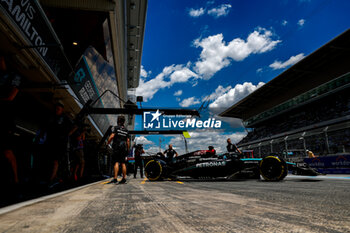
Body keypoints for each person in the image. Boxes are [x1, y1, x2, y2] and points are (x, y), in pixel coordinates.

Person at [45, 101, 77, 183]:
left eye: (59, 109)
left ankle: (52, 179)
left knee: (56, 160)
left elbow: (75, 126)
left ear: (62, 110)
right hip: (51, 141)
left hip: (60, 142)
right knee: (51, 160)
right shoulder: (53, 117)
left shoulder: (65, 118)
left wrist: (68, 134)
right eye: (56, 108)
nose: (57, 110)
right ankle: (54, 176)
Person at [0, 56, 21, 185]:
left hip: (6, 119)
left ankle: (16, 180)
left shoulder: (14, 76)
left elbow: (11, 97)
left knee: (7, 152)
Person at [107, 116, 130, 184]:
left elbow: (112, 136)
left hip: (117, 148)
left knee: (116, 162)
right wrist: (127, 149)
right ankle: (124, 179)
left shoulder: (116, 128)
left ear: (118, 121)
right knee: (123, 163)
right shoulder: (126, 130)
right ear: (124, 122)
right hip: (123, 148)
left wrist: (107, 143)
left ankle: (115, 179)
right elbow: (128, 141)